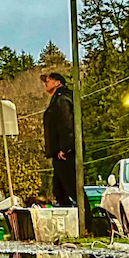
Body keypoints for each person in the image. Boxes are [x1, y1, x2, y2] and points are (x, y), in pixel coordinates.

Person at [42, 70, 76, 207]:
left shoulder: (62, 100)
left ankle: (85, 217)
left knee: (72, 189)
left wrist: (65, 148)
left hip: (65, 153)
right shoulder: (57, 100)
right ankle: (73, 215)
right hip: (59, 152)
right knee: (59, 190)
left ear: (58, 83)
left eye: (49, 80)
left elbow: (66, 124)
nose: (46, 83)